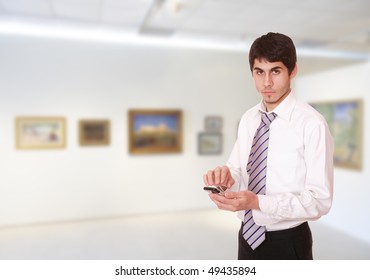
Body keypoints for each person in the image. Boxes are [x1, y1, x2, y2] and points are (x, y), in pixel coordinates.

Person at [203, 32, 334, 260]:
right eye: (259, 72)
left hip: (288, 242)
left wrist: (258, 202)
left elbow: (319, 201)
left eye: (276, 71)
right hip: (247, 236)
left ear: (293, 71)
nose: (267, 83)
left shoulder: (312, 124)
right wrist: (225, 177)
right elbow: (237, 168)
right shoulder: (249, 118)